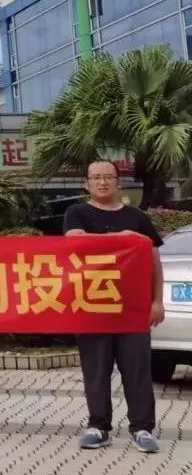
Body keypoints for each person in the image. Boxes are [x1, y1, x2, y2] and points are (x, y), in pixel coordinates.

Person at [65, 159, 165, 453]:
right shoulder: (77, 213)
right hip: (92, 307)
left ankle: (142, 428)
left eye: (108, 176)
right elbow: (75, 241)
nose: (102, 182)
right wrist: (121, 238)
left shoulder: (137, 217)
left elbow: (154, 262)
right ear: (87, 183)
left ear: (118, 182)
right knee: (96, 372)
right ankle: (98, 427)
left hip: (132, 310)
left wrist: (157, 301)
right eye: (96, 177)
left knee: (138, 372)